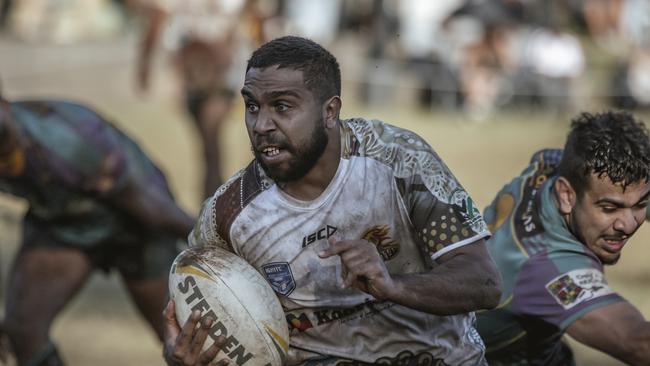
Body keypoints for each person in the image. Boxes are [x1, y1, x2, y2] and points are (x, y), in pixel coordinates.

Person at [162, 35, 502, 366]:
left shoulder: (401, 162)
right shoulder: (228, 214)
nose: (261, 124)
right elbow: (191, 319)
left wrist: (393, 285)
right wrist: (180, 356)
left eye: (282, 106)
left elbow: (484, 283)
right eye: (252, 106)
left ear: (330, 111)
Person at [0, 90, 195, 366]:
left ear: (4, 104)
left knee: (183, 340)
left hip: (136, 221)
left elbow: (154, 210)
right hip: (64, 218)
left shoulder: (65, 141)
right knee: (23, 329)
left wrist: (215, 238)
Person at [476, 111, 650, 365]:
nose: (627, 225)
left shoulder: (556, 165)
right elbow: (638, 344)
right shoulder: (547, 269)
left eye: (640, 205)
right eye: (609, 209)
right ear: (567, 196)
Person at [135, 0, 263, 198]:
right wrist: (145, 67)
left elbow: (253, 18)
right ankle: (213, 205)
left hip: (222, 80)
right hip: (190, 82)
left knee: (211, 142)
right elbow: (156, 20)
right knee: (207, 148)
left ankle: (215, 203)